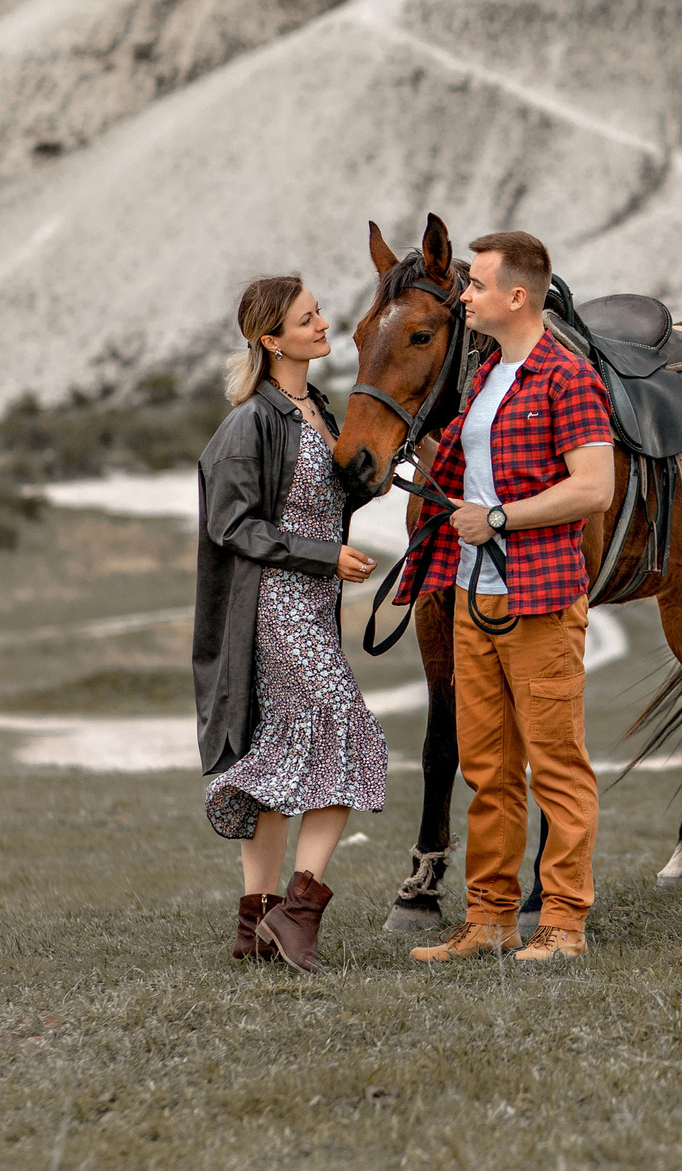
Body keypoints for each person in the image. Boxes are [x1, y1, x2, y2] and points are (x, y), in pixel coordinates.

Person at [406, 231, 617, 964]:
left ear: (516, 296)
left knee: (556, 765)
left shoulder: (567, 376)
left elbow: (595, 486)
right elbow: (467, 475)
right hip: (473, 596)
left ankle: (562, 923)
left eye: (478, 285)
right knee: (488, 768)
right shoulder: (487, 376)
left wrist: (496, 519)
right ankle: (490, 918)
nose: (465, 295)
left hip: (540, 597)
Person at [193, 275, 383, 971]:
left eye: (319, 312)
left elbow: (332, 489)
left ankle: (253, 926)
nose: (323, 323)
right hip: (272, 601)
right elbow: (231, 524)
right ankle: (297, 914)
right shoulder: (251, 421)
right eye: (308, 318)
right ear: (271, 339)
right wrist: (322, 554)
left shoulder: (318, 408)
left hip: (311, 602)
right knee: (348, 729)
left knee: (280, 754)